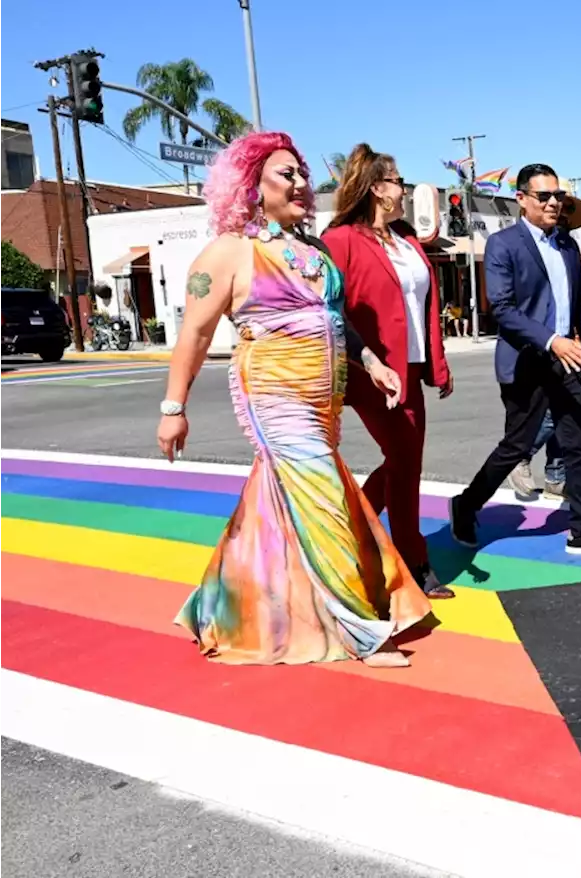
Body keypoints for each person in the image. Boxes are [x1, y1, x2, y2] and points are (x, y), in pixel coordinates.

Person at [158, 131, 430, 669]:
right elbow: (194, 333)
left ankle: (228, 608)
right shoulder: (231, 251)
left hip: (322, 402)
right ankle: (360, 631)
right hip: (276, 398)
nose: (303, 183)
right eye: (288, 174)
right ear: (252, 187)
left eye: (303, 173)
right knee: (327, 500)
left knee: (284, 505)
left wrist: (372, 364)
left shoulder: (313, 250)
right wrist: (173, 408)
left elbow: (339, 322)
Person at [450, 164, 581, 558]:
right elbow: (503, 308)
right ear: (522, 199)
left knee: (578, 444)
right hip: (527, 362)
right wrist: (551, 340)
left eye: (557, 196)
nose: (552, 203)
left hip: (567, 364)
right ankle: (466, 504)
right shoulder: (503, 244)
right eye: (543, 196)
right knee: (516, 446)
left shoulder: (568, 247)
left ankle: (580, 529)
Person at [322, 144, 455, 599]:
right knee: (403, 461)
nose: (404, 188)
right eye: (398, 181)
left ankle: (357, 534)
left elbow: (425, 305)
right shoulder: (339, 241)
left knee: (406, 464)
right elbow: (329, 310)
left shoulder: (406, 239)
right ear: (377, 189)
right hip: (369, 371)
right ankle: (412, 559)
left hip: (409, 367)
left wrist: (436, 363)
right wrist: (364, 361)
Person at [508, 192, 581, 502]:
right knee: (550, 413)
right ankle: (522, 454)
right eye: (558, 207)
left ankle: (557, 475)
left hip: (570, 346)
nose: (561, 213)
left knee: (571, 414)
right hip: (539, 346)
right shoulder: (531, 248)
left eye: (567, 211)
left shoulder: (568, 250)